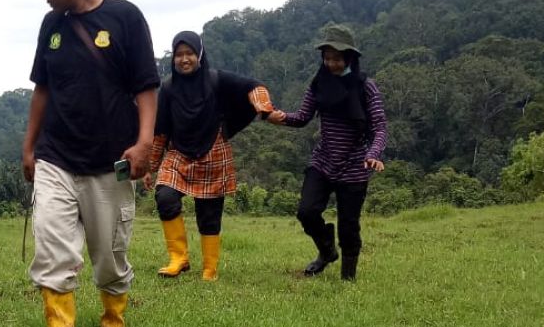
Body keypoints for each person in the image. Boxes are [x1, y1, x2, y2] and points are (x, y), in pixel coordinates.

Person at [17, 0, 159, 327]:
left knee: (109, 250)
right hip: (56, 153)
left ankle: (113, 320)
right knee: (51, 238)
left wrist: (144, 142)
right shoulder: (51, 25)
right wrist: (29, 147)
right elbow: (42, 89)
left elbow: (147, 86)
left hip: (110, 157)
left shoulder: (125, 16)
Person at [144, 31, 274, 281]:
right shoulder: (169, 87)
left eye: (189, 53)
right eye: (179, 55)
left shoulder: (218, 80)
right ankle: (178, 258)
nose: (184, 59)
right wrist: (151, 167)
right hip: (179, 152)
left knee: (210, 213)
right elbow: (161, 131)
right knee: (165, 196)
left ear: (200, 55)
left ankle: (209, 270)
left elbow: (254, 86)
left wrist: (264, 109)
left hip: (213, 149)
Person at [269, 24, 387, 281]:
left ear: (349, 58)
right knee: (306, 212)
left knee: (348, 225)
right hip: (323, 161)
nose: (331, 63)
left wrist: (374, 154)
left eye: (337, 58)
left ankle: (348, 277)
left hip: (355, 165)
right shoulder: (318, 83)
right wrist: (280, 118)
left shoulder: (366, 87)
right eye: (327, 58)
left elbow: (379, 126)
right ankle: (326, 251)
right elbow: (302, 117)